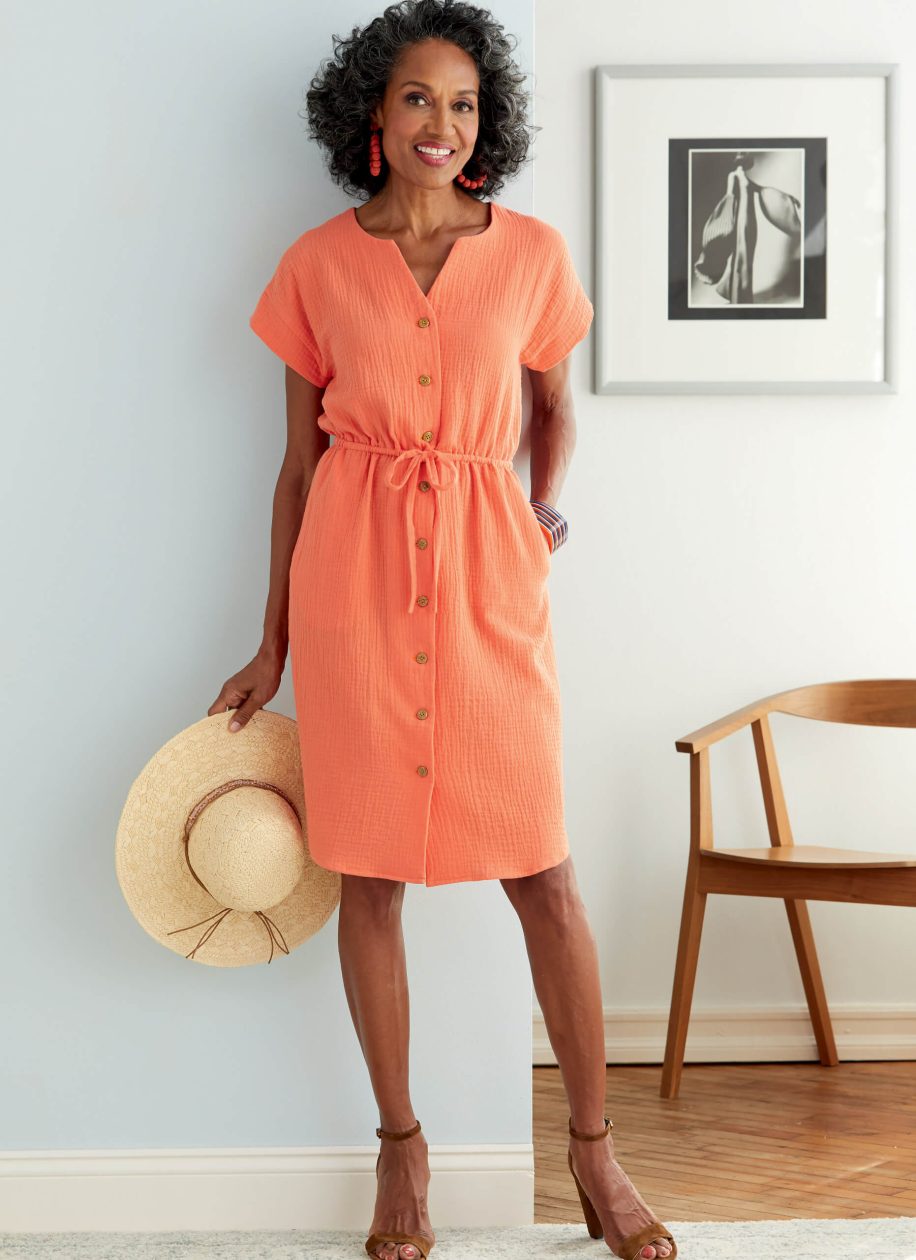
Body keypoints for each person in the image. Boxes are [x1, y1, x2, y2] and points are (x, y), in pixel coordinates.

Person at [209, 3, 676, 1258]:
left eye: (464, 103)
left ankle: (595, 1154)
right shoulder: (315, 266)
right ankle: (401, 1153)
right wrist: (272, 645)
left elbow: (554, 408)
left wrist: (539, 513)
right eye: (418, 97)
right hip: (352, 586)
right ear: (372, 109)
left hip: (487, 585)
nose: (442, 124)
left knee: (545, 876)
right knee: (368, 878)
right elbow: (295, 470)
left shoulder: (530, 254)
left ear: (486, 122)